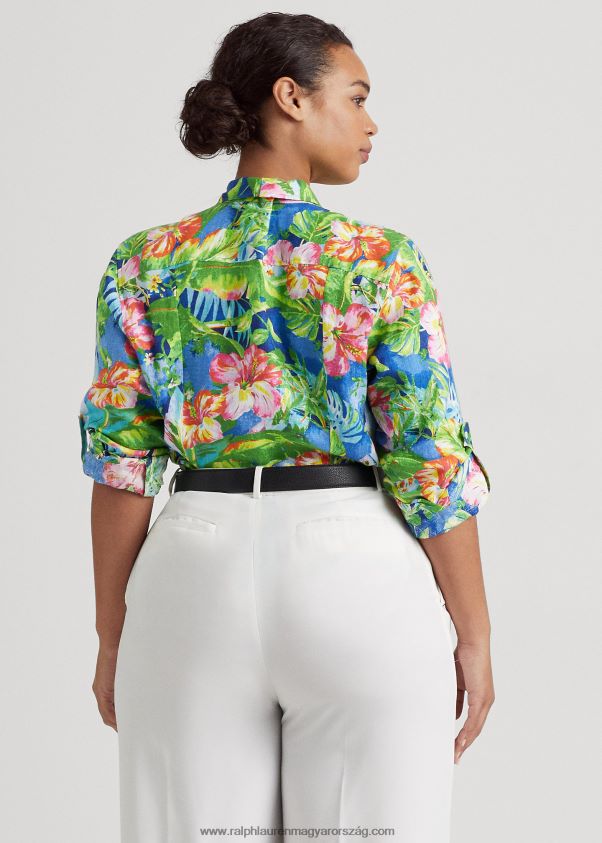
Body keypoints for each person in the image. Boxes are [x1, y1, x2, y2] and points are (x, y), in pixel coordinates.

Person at [78, 11, 494, 843]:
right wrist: (475, 634)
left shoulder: (146, 260)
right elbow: (428, 459)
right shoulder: (379, 259)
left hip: (190, 569)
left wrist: (115, 632)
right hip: (354, 572)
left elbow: (122, 465)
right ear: (291, 97)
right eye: (358, 97)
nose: (372, 124)